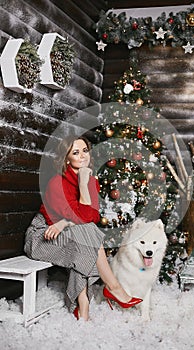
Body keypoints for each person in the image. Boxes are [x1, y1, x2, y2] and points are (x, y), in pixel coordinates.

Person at [24, 135, 142, 321]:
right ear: (66, 158)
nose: (82, 156)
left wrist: (66, 221)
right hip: (42, 235)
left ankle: (83, 306)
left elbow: (92, 217)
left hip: (70, 233)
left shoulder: (91, 180)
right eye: (75, 152)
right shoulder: (57, 183)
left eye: (85, 151)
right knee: (87, 235)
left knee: (85, 239)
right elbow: (84, 217)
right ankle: (112, 288)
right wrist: (80, 186)